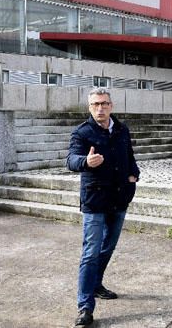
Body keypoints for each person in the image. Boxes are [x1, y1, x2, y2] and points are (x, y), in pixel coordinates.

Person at [67, 87, 139, 327]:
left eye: (104, 104)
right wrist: (85, 162)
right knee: (90, 253)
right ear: (90, 107)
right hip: (95, 201)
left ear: (111, 106)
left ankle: (96, 284)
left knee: (107, 248)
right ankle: (85, 306)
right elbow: (71, 160)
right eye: (96, 104)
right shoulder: (82, 132)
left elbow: (129, 156)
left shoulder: (121, 129)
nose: (100, 108)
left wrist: (133, 176)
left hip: (120, 198)